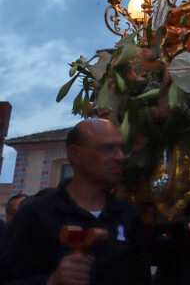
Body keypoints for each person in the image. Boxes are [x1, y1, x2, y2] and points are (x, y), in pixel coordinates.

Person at [0, 118, 150, 284]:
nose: (120, 157)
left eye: (122, 149)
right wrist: (51, 281)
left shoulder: (129, 215)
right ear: (75, 154)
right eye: (108, 149)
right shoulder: (35, 214)